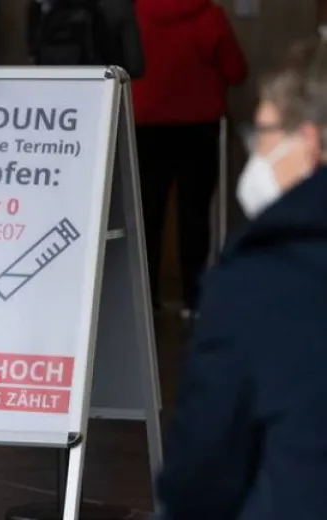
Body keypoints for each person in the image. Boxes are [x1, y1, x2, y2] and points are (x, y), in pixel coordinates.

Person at [154, 38, 327, 520]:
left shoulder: (260, 283)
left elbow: (201, 477)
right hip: (196, 128)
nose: (258, 151)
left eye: (265, 132)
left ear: (309, 142)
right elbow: (232, 64)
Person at [132, 0, 247, 318]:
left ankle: (145, 300)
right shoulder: (209, 15)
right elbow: (236, 71)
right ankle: (194, 300)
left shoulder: (135, 14)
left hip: (145, 126)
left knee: (147, 215)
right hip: (199, 127)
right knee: (194, 216)